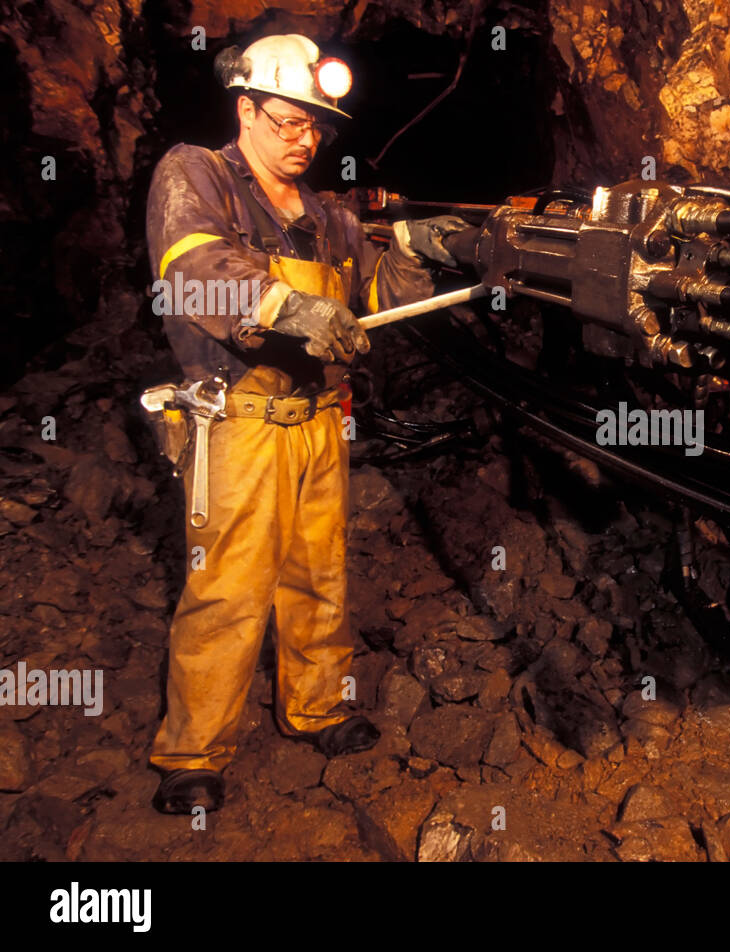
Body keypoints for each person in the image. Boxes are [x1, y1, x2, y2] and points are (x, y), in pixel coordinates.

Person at [144, 33, 470, 813]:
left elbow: (376, 310)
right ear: (245, 107)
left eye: (315, 127)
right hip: (240, 418)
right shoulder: (197, 173)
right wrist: (287, 307)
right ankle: (193, 750)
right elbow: (189, 269)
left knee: (319, 576)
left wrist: (416, 253)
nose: (304, 140)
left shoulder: (329, 217)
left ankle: (317, 706)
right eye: (288, 122)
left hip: (321, 420)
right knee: (227, 586)